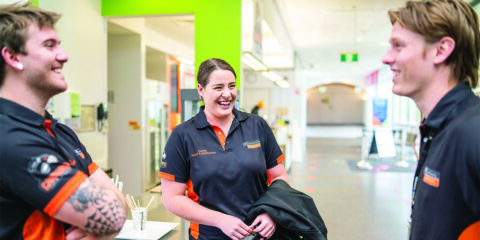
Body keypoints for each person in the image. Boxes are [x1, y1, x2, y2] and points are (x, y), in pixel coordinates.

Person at [0, 3, 126, 239]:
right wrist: (107, 220)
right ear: (13, 57)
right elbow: (113, 216)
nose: (64, 56)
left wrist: (108, 217)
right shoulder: (10, 138)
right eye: (49, 45)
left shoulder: (60, 132)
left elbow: (116, 201)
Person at [159, 58, 289, 240]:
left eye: (232, 86)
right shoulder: (183, 135)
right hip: (208, 236)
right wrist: (220, 220)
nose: (227, 94)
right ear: (201, 90)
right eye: (218, 87)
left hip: (260, 235)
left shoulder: (257, 126)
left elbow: (279, 176)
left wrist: (272, 212)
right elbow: (172, 198)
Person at [382, 0, 480, 239]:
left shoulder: (472, 131)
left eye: (399, 46)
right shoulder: (439, 129)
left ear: (441, 50)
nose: (387, 58)